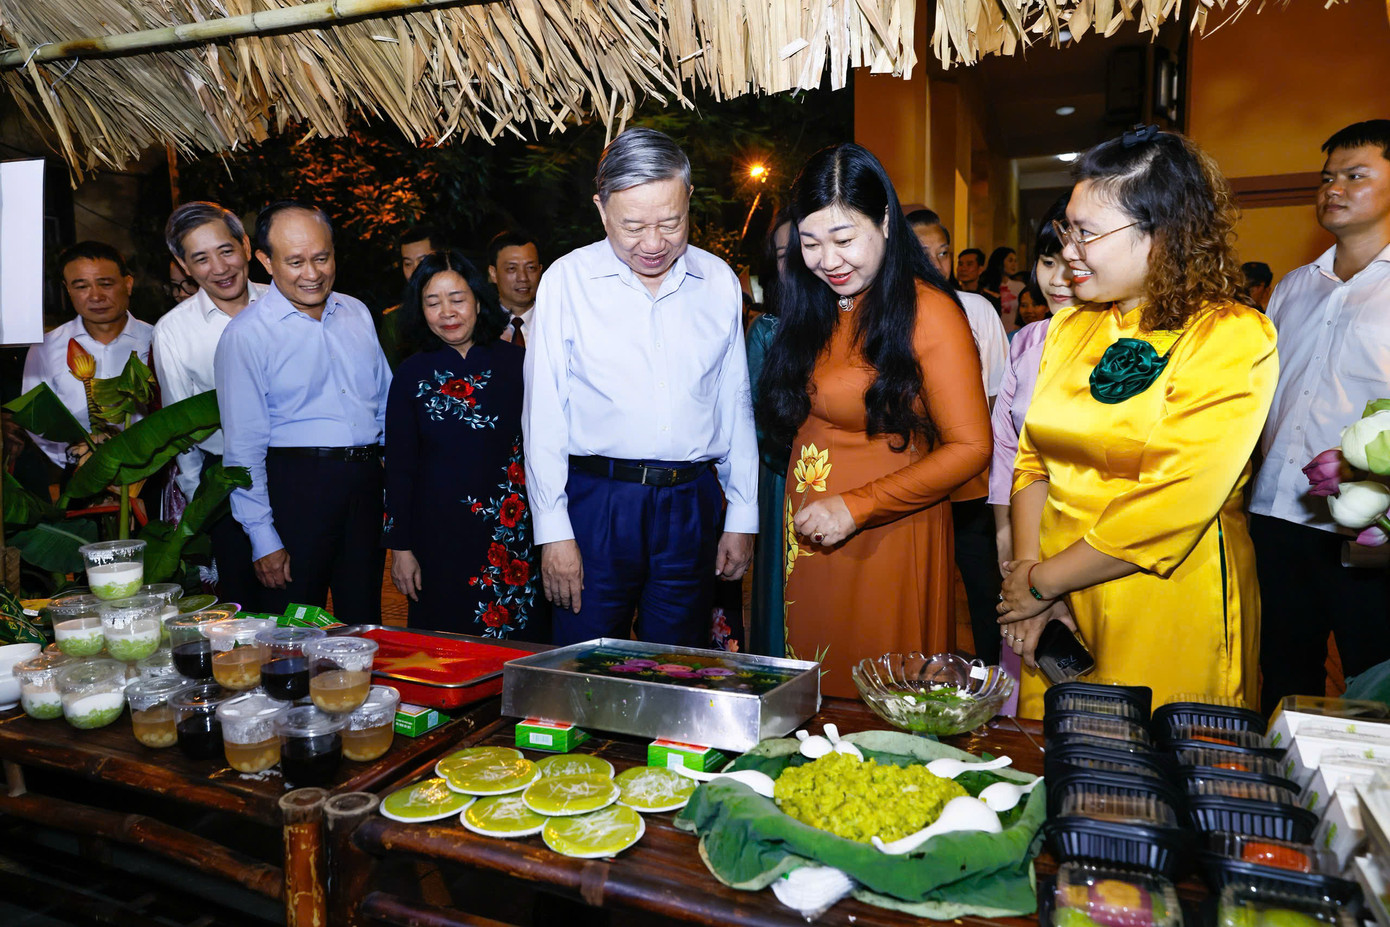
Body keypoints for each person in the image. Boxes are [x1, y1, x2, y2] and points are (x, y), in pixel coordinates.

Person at [998, 126, 1278, 718]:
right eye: (1066, 230)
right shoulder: (1073, 327)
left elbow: (1174, 503)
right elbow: (1032, 460)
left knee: (1155, 773)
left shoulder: (1230, 334)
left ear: (1164, 234)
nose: (1069, 250)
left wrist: (1042, 582)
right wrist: (1030, 578)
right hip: (1055, 601)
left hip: (1165, 595)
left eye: (1087, 233)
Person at [758, 143, 991, 697]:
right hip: (812, 539)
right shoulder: (815, 303)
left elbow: (970, 447)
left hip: (885, 534)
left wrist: (856, 506)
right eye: (810, 243)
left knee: (873, 692)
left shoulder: (928, 311)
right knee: (811, 690)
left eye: (844, 240)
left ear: (885, 222)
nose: (827, 260)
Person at [523, 127, 758, 646]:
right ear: (601, 210)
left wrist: (742, 513)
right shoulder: (566, 281)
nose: (653, 244)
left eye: (670, 222)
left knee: (678, 662)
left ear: (689, 198)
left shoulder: (717, 280)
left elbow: (734, 402)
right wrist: (553, 529)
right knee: (585, 660)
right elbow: (543, 414)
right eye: (632, 226)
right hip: (598, 502)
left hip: (691, 502)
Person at [1250, 119, 1390, 711]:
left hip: (1369, 528)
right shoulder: (1293, 286)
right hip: (1278, 513)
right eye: (1327, 177)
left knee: (1370, 681)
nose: (1334, 188)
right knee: (1282, 675)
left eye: (1356, 175)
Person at [215, 202, 392, 624]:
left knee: (363, 620)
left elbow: (384, 402)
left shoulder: (356, 312)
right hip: (296, 489)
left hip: (364, 486)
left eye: (321, 258)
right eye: (295, 262)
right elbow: (242, 449)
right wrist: (263, 538)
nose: (311, 274)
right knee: (293, 627)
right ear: (265, 261)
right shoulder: (246, 336)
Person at [384, 250, 539, 636]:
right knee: (445, 648)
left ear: (478, 300)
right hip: (437, 539)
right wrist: (400, 549)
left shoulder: (519, 364)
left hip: (512, 534)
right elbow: (399, 468)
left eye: (457, 299)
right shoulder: (410, 374)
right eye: (432, 302)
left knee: (518, 650)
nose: (447, 312)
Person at [906, 207, 1009, 664]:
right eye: (921, 253)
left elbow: (994, 399)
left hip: (969, 487)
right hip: (911, 485)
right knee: (917, 593)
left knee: (984, 589)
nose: (935, 263)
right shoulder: (885, 312)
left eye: (943, 253)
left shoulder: (978, 310)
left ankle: (991, 680)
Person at [154, 201, 269, 606]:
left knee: (301, 595)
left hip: (296, 468)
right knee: (245, 605)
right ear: (183, 266)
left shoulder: (285, 303)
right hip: (225, 482)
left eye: (225, 250)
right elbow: (181, 429)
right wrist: (200, 509)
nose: (219, 268)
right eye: (200, 258)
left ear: (245, 245)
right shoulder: (172, 332)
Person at [987, 195, 1074, 711]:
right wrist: (1006, 532)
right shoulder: (1026, 342)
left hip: (1090, 538)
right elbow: (1006, 447)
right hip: (1026, 531)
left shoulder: (1126, 342)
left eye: (1070, 263)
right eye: (1047, 262)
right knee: (1029, 662)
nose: (1058, 279)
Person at [22, 242, 154, 468]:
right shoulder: (46, 348)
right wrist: (75, 457)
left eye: (106, 284)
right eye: (81, 286)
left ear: (128, 284)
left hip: (151, 474)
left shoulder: (156, 340)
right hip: (78, 474)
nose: (95, 296)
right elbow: (36, 422)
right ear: (67, 289)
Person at [746, 209, 793, 656]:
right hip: (785, 476)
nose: (795, 260)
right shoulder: (767, 330)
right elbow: (756, 419)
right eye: (783, 253)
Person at [380, 226, 441, 367]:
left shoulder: (465, 309)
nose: (415, 271)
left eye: (422, 261)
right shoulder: (394, 321)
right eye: (408, 263)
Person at [487, 230, 543, 348]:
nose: (523, 278)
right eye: (512, 268)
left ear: (540, 270)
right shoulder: (477, 325)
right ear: (493, 273)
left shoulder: (557, 322)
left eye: (531, 268)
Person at [981, 246, 1025, 327]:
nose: (1014, 264)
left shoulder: (1020, 287)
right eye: (1010, 260)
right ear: (1000, 262)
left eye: (1015, 261)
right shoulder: (986, 287)